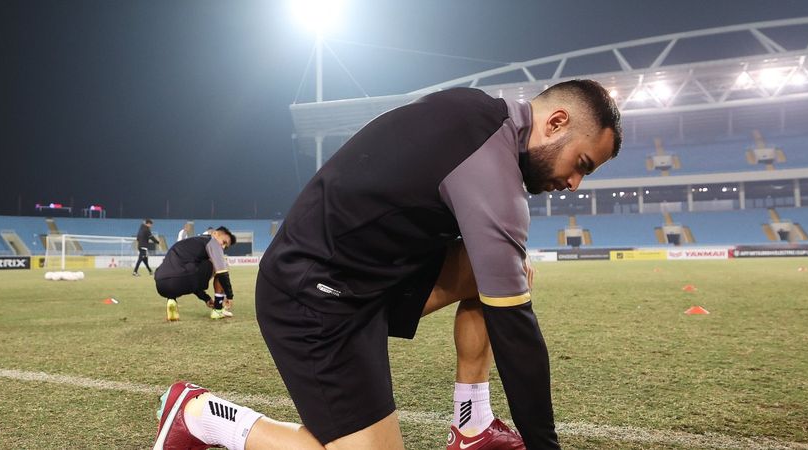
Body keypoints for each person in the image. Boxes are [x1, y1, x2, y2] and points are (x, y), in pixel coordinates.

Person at [153, 79, 622, 450]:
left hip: (365, 277)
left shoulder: (477, 111)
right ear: (556, 122)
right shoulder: (491, 165)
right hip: (309, 296)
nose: (575, 183)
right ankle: (200, 415)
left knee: (508, 272)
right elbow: (515, 333)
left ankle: (473, 426)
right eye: (581, 163)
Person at [154, 226, 237, 321]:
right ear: (215, 233)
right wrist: (229, 296)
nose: (222, 247)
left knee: (181, 271)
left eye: (225, 247)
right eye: (224, 242)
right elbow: (222, 273)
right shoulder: (212, 241)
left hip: (161, 284)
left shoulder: (190, 242)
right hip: (181, 279)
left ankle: (171, 300)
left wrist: (205, 298)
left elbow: (186, 274)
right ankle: (218, 309)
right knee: (222, 264)